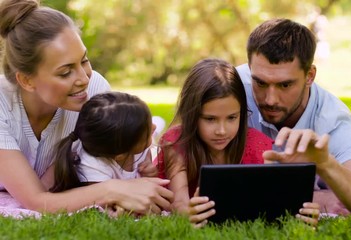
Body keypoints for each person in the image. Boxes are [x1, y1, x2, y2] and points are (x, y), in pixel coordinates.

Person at [0, 0, 172, 215]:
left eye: (84, 60)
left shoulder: (96, 88)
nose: (83, 78)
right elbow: (36, 200)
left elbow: (114, 157)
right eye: (65, 72)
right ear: (27, 81)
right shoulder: (2, 104)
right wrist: (112, 190)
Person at [236, 18, 351, 217]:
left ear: (310, 75)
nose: (270, 99)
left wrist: (326, 163)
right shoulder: (232, 89)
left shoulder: (333, 120)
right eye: (260, 83)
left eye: (285, 85)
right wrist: (315, 197)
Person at [155, 58, 320, 228]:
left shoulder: (257, 144)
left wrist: (299, 213)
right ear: (191, 115)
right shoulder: (176, 141)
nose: (222, 130)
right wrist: (189, 211)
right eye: (210, 119)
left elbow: (269, 200)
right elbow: (179, 202)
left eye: (232, 118)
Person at [50, 91, 157, 194]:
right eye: (147, 131)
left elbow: (146, 150)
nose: (154, 127)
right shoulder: (94, 167)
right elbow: (104, 200)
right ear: (120, 156)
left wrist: (148, 162)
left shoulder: (132, 144)